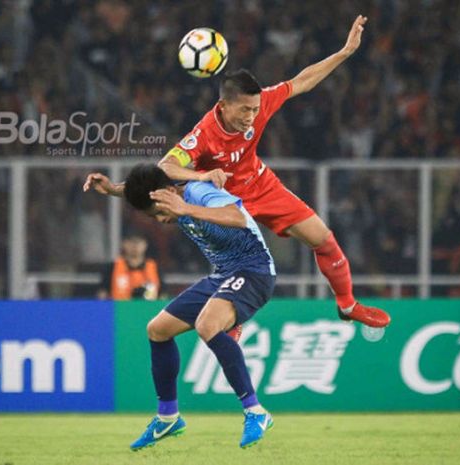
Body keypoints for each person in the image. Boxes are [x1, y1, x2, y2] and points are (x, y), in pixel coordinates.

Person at [84, 15, 390, 328]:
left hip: (261, 185)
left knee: (324, 239)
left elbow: (302, 81)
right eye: (244, 110)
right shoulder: (203, 133)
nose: (251, 116)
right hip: (222, 201)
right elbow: (166, 168)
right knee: (239, 272)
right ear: (224, 105)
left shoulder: (260, 106)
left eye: (255, 109)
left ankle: (348, 305)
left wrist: (345, 52)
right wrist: (120, 188)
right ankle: (229, 323)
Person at [112, 163, 276, 450]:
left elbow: (237, 217)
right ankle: (168, 417)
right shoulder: (169, 191)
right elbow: (152, 176)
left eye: (160, 212)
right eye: (155, 216)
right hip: (223, 275)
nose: (162, 220)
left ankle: (256, 412)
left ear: (169, 193)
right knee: (158, 330)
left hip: (254, 271)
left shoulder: (200, 193)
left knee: (206, 325)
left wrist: (185, 209)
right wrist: (111, 190)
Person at [98, 235, 161, 300]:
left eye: (138, 242)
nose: (134, 246)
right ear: (123, 244)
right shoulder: (112, 267)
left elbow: (163, 295)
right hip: (120, 308)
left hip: (150, 308)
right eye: (131, 242)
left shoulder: (155, 267)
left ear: (145, 245)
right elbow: (102, 295)